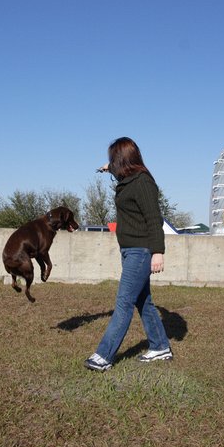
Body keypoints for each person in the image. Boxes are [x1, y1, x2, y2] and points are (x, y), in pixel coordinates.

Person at [85, 137, 173, 372]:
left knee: (124, 302)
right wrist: (108, 168)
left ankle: (104, 355)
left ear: (123, 159)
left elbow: (154, 219)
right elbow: (116, 170)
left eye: (113, 159)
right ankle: (160, 346)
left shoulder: (143, 182)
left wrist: (157, 252)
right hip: (130, 250)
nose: (110, 163)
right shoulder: (128, 180)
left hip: (141, 251)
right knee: (144, 301)